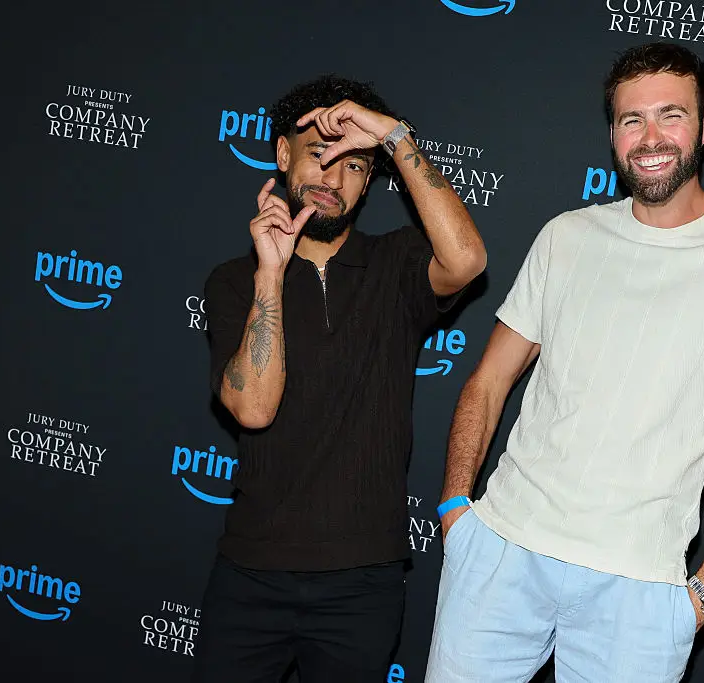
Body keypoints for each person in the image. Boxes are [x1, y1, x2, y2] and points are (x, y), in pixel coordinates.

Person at [426, 42, 704, 683]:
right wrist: (455, 512)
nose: (651, 136)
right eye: (633, 120)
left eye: (671, 115)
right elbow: (489, 380)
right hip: (500, 553)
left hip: (641, 591)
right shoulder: (566, 236)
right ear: (612, 133)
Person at [193, 74, 486, 683]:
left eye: (355, 167)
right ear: (282, 154)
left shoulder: (397, 262)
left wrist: (396, 138)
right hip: (251, 571)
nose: (333, 179)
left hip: (364, 579)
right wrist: (270, 275)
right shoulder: (233, 281)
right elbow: (252, 410)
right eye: (319, 157)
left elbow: (467, 261)